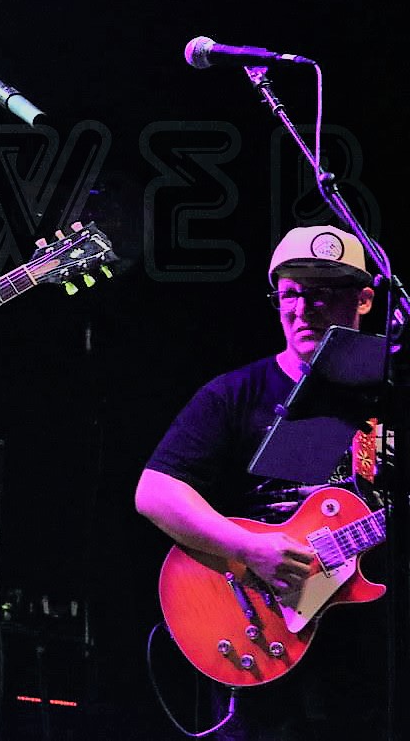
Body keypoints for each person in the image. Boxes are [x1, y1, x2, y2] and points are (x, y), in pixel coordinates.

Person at [136, 224, 389, 739]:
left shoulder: (389, 392)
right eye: (292, 294)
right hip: (262, 632)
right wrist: (250, 548)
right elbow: (155, 492)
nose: (304, 309)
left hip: (374, 644)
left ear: (364, 300)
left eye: (323, 294)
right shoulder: (235, 394)